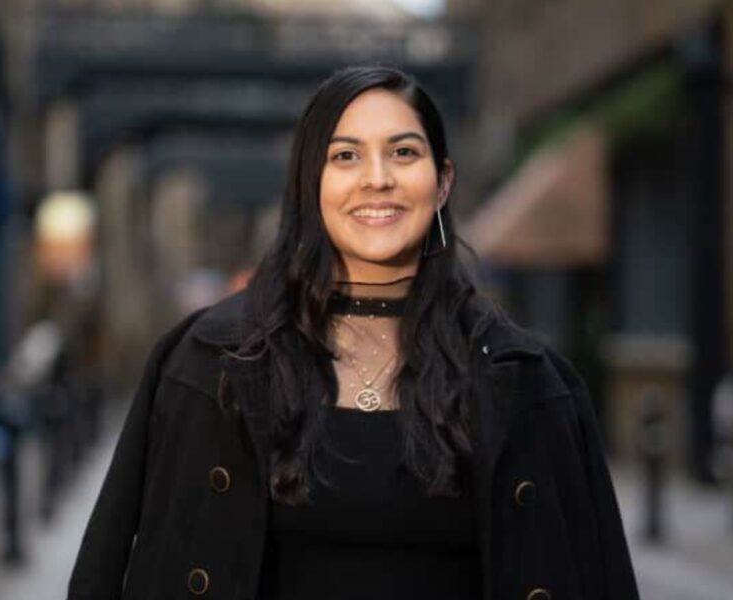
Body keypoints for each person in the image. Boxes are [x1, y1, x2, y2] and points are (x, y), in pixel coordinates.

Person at [67, 65, 639, 600]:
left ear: (441, 183)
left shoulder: (533, 386)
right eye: (346, 156)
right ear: (310, 184)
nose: (377, 179)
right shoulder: (203, 365)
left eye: (404, 152)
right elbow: (106, 571)